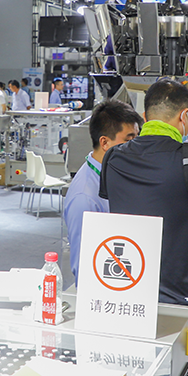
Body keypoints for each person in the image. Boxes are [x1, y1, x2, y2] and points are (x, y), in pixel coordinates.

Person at [101, 79, 188, 376]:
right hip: (187, 304)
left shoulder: (114, 159)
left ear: (145, 117)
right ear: (184, 116)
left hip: (129, 296)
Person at [63, 100, 140, 284]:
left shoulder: (112, 174)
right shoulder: (85, 198)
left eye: (137, 138)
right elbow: (83, 267)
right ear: (105, 142)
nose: (136, 146)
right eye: (129, 140)